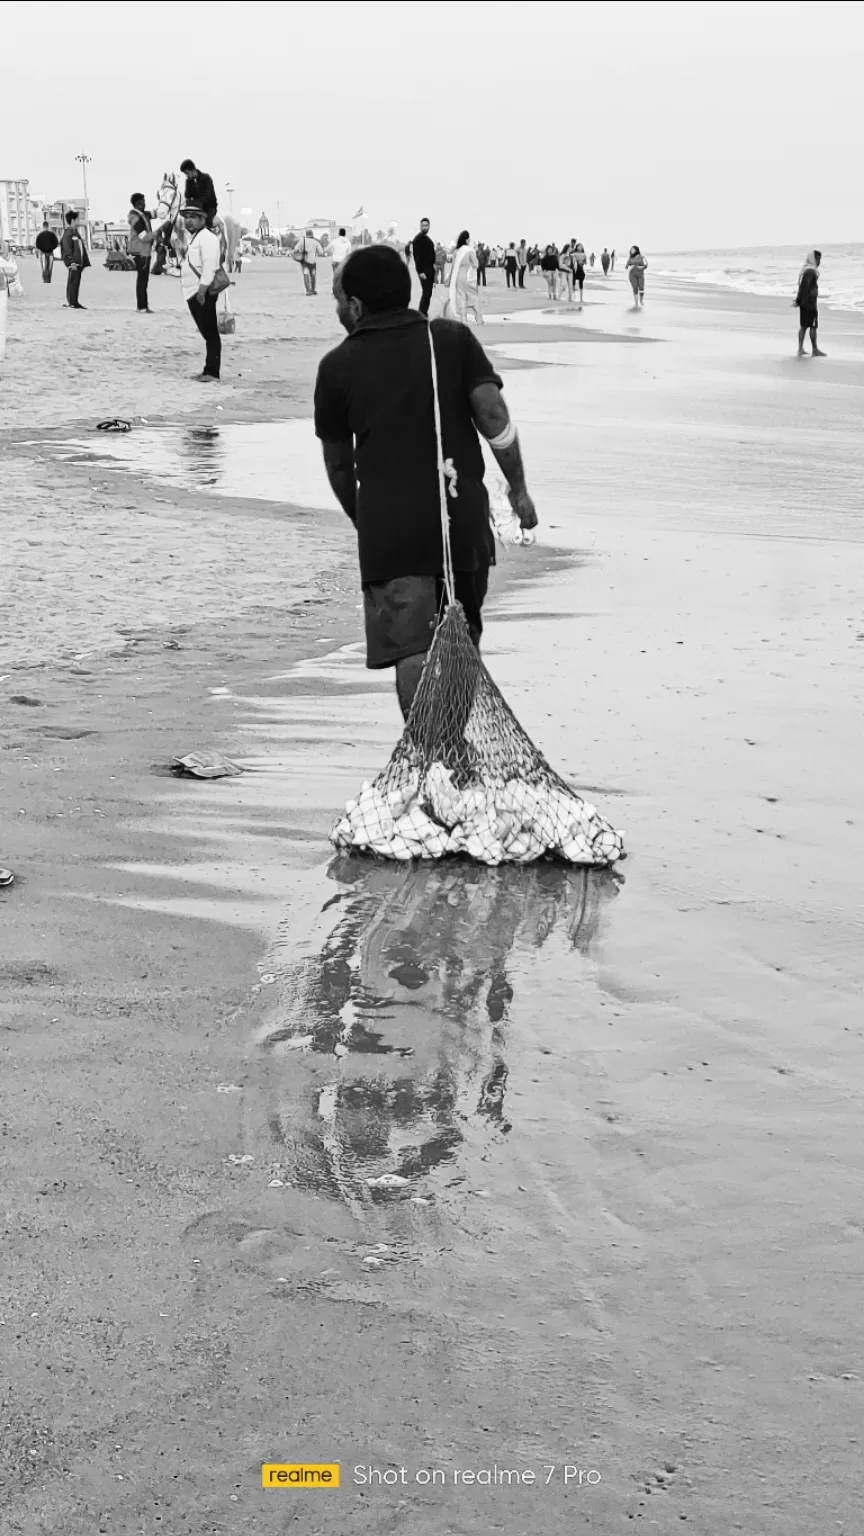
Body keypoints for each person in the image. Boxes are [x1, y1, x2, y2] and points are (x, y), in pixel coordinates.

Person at [313, 244, 538, 719]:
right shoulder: (451, 341)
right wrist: (518, 490)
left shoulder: (336, 368)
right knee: (460, 633)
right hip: (459, 516)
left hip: (390, 531)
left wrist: (365, 519)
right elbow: (493, 416)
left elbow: (338, 465)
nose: (336, 310)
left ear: (356, 306)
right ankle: (450, 745)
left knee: (411, 645)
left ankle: (426, 752)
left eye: (338, 300)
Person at [179, 203, 222, 381]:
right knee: (206, 332)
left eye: (192, 217)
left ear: (202, 219)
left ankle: (212, 372)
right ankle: (209, 370)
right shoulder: (196, 238)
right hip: (193, 291)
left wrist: (202, 290)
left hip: (201, 291)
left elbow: (209, 266)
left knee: (210, 333)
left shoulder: (207, 238)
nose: (188, 220)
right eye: (186, 217)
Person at [795, 250, 826, 358]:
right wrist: (798, 300)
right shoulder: (810, 271)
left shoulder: (806, 270)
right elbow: (804, 287)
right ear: (813, 259)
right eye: (818, 259)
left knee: (803, 326)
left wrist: (798, 301)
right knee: (813, 326)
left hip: (804, 303)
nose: (819, 262)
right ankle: (814, 349)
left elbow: (802, 287)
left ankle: (800, 349)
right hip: (810, 304)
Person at [127, 193, 156, 313]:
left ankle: (144, 305)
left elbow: (157, 213)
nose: (145, 204)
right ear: (138, 203)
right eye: (143, 202)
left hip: (145, 251)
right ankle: (141, 306)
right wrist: (156, 234)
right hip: (140, 251)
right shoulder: (135, 218)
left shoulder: (143, 215)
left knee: (144, 280)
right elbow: (144, 237)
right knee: (142, 280)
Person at [448, 230, 483, 324]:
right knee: (474, 297)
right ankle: (479, 318)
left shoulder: (456, 251)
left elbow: (453, 266)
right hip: (468, 277)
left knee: (461, 297)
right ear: (467, 239)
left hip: (458, 277)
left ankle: (463, 319)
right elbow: (476, 264)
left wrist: (449, 279)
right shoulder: (470, 251)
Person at [60, 210, 90, 309]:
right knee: (73, 282)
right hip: (74, 263)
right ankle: (72, 302)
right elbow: (66, 248)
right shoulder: (68, 233)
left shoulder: (75, 232)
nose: (79, 222)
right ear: (73, 220)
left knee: (76, 282)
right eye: (77, 220)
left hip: (78, 263)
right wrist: (70, 262)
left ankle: (74, 301)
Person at [180, 158, 218, 228]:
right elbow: (187, 196)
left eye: (187, 173)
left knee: (206, 222)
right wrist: (188, 182)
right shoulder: (189, 181)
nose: (186, 175)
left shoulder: (206, 178)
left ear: (192, 170)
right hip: (196, 209)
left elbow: (208, 196)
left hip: (209, 208)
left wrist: (195, 202)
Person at [409, 217, 436, 316]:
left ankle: (424, 312)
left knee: (428, 293)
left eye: (426, 226)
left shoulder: (426, 238)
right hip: (424, 270)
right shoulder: (418, 239)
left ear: (429, 227)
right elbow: (417, 257)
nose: (425, 227)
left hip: (429, 268)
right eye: (423, 225)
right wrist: (420, 271)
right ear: (420, 226)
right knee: (426, 293)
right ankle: (422, 313)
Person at [295, 228, 323, 294]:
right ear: (312, 234)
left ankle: (308, 291)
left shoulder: (302, 241)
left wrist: (301, 251)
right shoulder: (315, 242)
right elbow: (321, 252)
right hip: (313, 262)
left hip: (304, 261)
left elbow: (296, 249)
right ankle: (313, 290)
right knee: (313, 275)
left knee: (305, 274)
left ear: (306, 234)